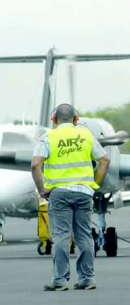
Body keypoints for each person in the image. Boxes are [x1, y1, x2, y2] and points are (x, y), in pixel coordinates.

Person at [31, 103, 110, 291]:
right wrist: (95, 185)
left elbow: (35, 165)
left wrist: (42, 190)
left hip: (59, 194)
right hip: (84, 192)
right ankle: (87, 279)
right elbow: (105, 160)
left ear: (53, 119)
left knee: (61, 236)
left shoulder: (48, 137)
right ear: (76, 119)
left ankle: (60, 280)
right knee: (84, 235)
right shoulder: (86, 135)